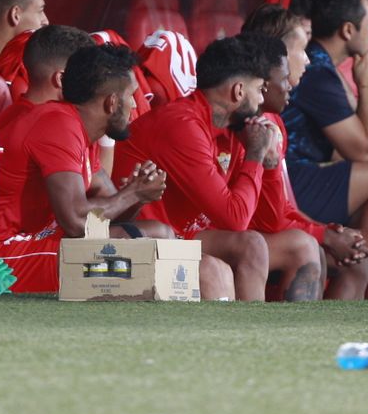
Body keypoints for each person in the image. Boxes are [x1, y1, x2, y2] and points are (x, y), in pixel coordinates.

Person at [241, 13, 368, 300]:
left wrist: (328, 231)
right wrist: (326, 235)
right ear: (276, 56)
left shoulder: (275, 120)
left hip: (296, 218)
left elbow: (284, 205)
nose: (308, 59)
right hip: (268, 235)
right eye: (301, 50)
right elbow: (361, 148)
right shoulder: (251, 122)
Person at [0, 43, 190, 295]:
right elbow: (76, 221)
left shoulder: (82, 131)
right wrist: (133, 193)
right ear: (111, 102)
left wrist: (138, 194)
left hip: (39, 242)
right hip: (3, 256)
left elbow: (114, 213)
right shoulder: (58, 125)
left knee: (159, 234)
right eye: (131, 95)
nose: (134, 106)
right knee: (150, 257)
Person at [113, 37, 276, 301]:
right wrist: (256, 155)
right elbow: (235, 217)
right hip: (137, 239)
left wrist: (270, 162)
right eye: (259, 90)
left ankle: (252, 336)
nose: (261, 102)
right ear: (238, 91)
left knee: (253, 244)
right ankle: (226, 340)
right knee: (213, 270)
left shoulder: (232, 130)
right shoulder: (182, 125)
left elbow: (263, 219)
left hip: (180, 234)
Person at [280, 0, 368, 238]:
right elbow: (361, 150)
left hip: (310, 174)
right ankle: (358, 264)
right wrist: (366, 87)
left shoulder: (325, 66)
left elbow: (347, 151)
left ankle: (363, 267)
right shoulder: (317, 73)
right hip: (289, 181)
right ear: (348, 30)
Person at [0, 23, 93, 132]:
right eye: (85, 77)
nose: (92, 87)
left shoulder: (11, 115)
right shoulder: (48, 130)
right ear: (61, 79)